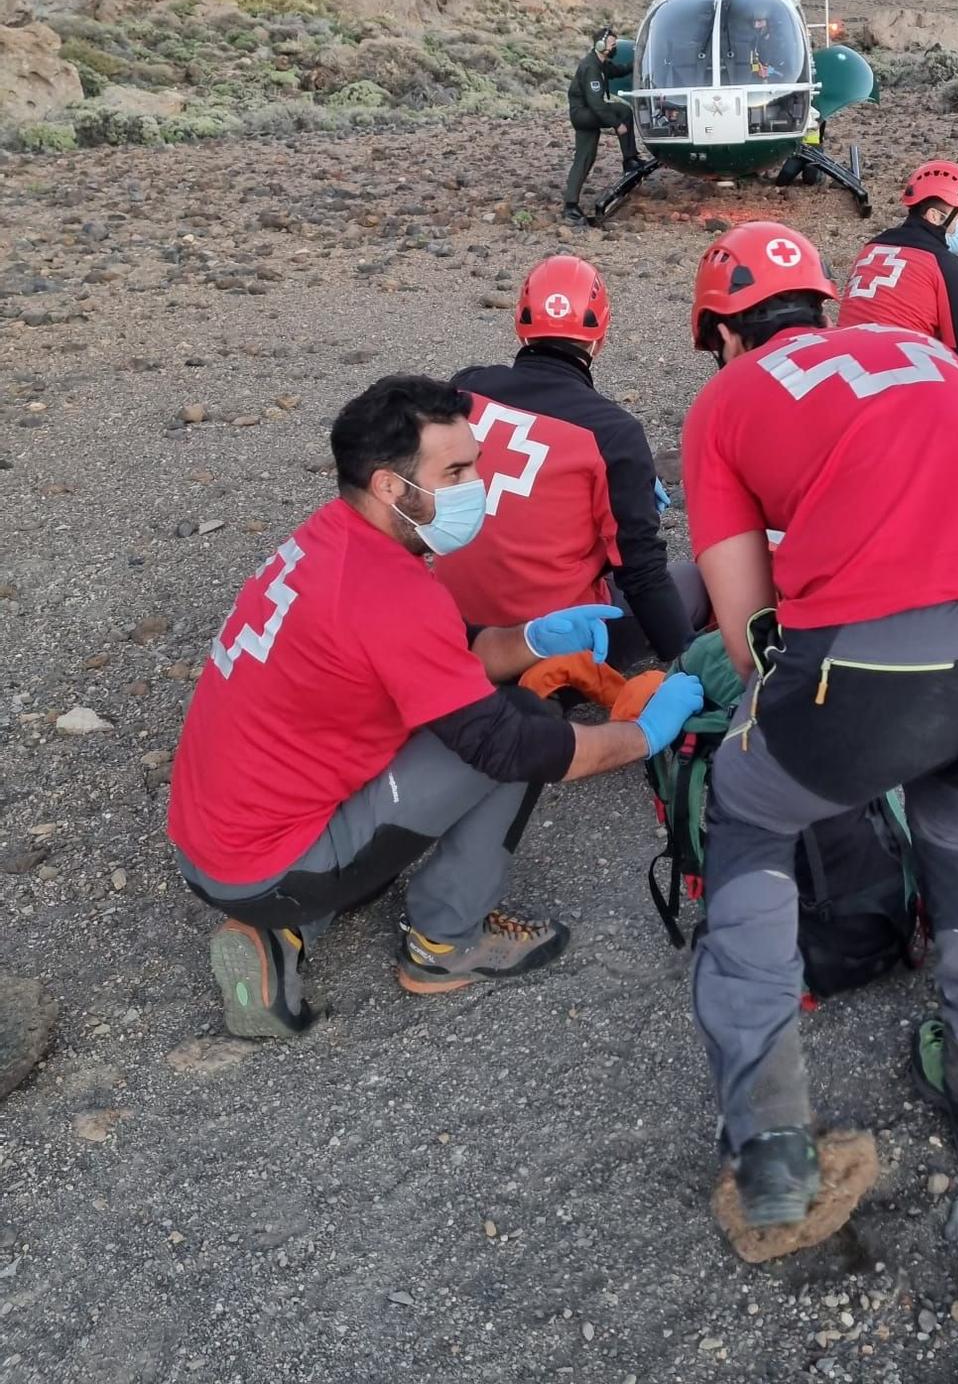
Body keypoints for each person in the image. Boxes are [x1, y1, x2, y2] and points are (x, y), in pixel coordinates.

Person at [680, 222, 958, 1225]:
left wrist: (804, 724)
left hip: (879, 664)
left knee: (750, 809)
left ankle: (771, 1135)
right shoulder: (931, 357)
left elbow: (748, 636)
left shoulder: (724, 401)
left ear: (724, 333)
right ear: (823, 305)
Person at [166, 373, 703, 1040]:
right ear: (393, 487)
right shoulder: (390, 593)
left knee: (480, 707)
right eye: (457, 471)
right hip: (266, 864)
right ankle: (445, 942)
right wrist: (641, 734)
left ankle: (284, 932)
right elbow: (502, 746)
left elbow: (439, 654)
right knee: (527, 722)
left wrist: (531, 636)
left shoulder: (331, 540)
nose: (477, 484)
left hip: (211, 841)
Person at [437, 254, 701, 667]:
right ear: (601, 333)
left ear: (521, 326)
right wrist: (687, 661)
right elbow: (641, 572)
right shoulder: (612, 433)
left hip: (456, 629)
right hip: (549, 646)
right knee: (694, 583)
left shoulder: (466, 388)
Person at [838, 159, 958, 412]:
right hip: (896, 387)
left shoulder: (871, 248)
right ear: (935, 216)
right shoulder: (943, 264)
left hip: (845, 376)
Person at [564, 28, 642, 222]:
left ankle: (570, 205)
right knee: (623, 112)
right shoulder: (591, 67)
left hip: (584, 115)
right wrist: (617, 125)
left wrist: (638, 62)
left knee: (584, 159)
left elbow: (618, 70)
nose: (614, 47)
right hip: (584, 115)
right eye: (612, 44)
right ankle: (630, 159)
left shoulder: (600, 63)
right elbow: (597, 105)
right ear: (600, 45)